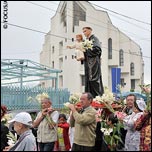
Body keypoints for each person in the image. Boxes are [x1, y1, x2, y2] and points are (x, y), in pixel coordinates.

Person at [82, 26, 104, 98]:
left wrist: (86, 49)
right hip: (88, 64)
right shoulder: (86, 41)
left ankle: (97, 97)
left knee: (94, 80)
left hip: (94, 63)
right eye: (83, 31)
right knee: (89, 81)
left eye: (85, 31)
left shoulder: (94, 39)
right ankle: (90, 97)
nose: (84, 33)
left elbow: (97, 49)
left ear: (90, 30)